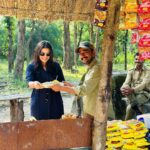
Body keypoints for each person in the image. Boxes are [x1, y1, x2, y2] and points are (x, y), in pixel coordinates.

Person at [51, 41, 115, 120]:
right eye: (80, 53)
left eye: (85, 52)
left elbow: (84, 90)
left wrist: (61, 88)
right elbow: (88, 87)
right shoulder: (91, 68)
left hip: (100, 116)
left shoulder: (97, 68)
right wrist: (70, 85)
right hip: (92, 113)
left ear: (93, 52)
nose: (82, 55)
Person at [26, 40, 65, 120]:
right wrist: (34, 84)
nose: (45, 56)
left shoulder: (56, 65)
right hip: (38, 102)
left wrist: (60, 85)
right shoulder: (31, 66)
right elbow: (29, 82)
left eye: (48, 54)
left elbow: (62, 81)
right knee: (38, 128)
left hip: (55, 101)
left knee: (57, 128)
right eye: (42, 54)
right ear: (37, 53)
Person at [121, 52, 150, 120]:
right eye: (136, 59)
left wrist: (133, 90)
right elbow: (126, 82)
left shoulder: (148, 71)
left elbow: (144, 84)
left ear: (143, 60)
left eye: (139, 59)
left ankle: (126, 124)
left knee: (129, 108)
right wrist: (122, 88)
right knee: (125, 87)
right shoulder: (131, 71)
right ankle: (137, 111)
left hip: (144, 94)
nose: (137, 61)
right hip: (132, 94)